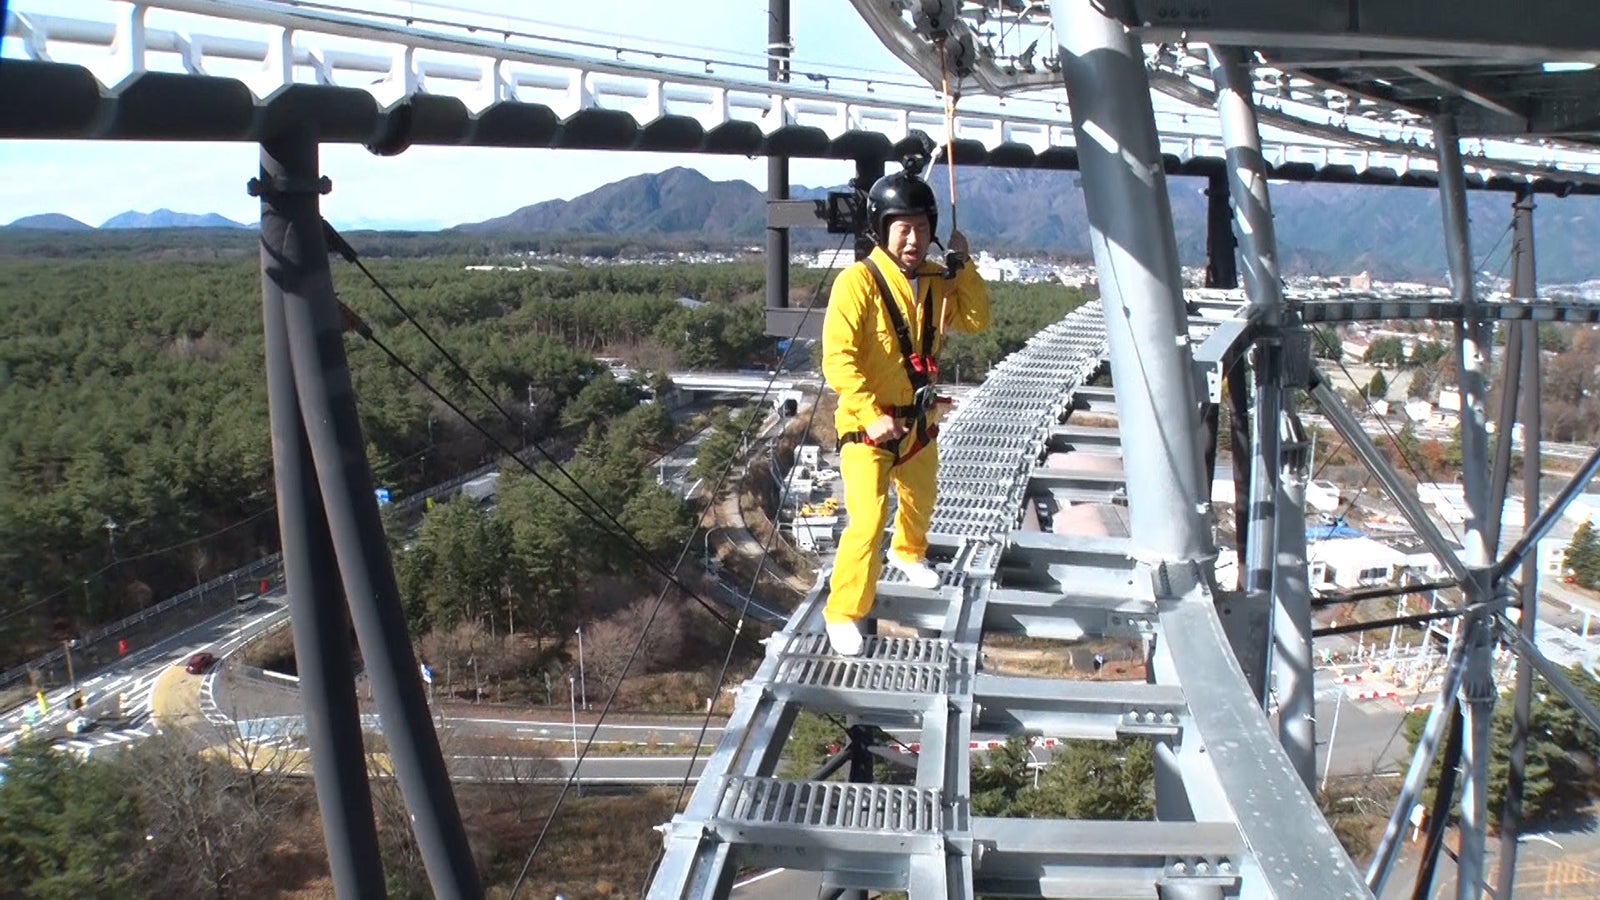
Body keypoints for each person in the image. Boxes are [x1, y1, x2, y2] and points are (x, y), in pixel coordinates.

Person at [820, 162, 990, 656]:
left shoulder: (938, 280)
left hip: (917, 418)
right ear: (882, 230)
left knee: (920, 496)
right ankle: (844, 610)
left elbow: (977, 319)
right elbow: (839, 357)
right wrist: (871, 411)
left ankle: (909, 552)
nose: (913, 239)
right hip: (868, 424)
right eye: (903, 228)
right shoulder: (859, 282)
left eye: (921, 227)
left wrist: (964, 266)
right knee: (868, 519)